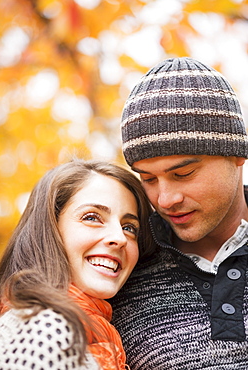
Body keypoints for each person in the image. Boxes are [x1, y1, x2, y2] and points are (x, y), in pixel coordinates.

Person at [109, 57, 248, 369]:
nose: (166, 199)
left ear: (237, 154)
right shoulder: (119, 268)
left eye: (183, 173)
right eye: (148, 179)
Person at [0, 159, 154, 370]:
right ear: (50, 229)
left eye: (129, 227)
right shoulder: (43, 332)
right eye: (92, 217)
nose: (120, 238)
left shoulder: (90, 329)